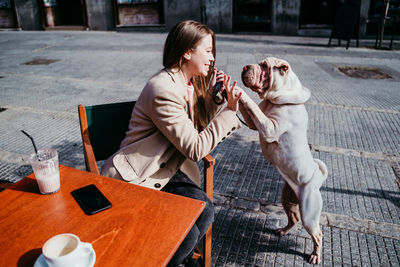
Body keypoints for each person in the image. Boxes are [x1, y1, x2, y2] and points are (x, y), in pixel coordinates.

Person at [101, 20, 242, 266]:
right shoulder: (163, 89)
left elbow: (192, 129)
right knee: (186, 232)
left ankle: (175, 259)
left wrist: (213, 99)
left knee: (205, 209)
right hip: (139, 175)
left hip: (166, 168)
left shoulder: (186, 83)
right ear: (187, 51)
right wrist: (230, 112)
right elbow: (195, 148)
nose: (212, 57)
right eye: (207, 50)